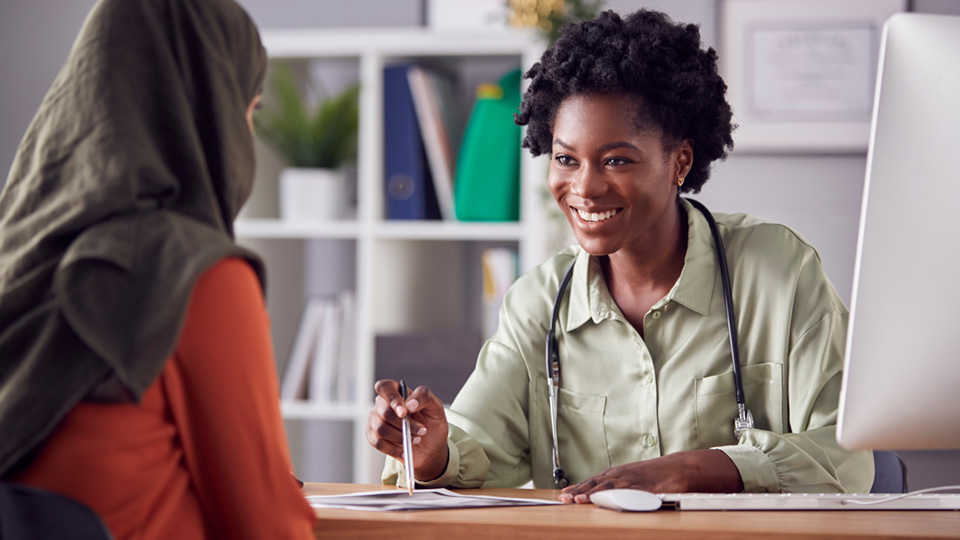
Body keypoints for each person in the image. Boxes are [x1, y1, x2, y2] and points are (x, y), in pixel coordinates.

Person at [366, 9, 873, 503]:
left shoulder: (777, 272)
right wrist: (429, 452)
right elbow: (472, 448)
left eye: (616, 160)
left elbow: (847, 460)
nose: (584, 187)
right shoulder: (538, 304)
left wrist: (700, 467)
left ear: (680, 161)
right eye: (566, 159)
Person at [0, 0, 316, 537]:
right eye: (248, 109)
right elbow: (269, 527)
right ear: (207, 110)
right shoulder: (196, 273)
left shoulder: (19, 257)